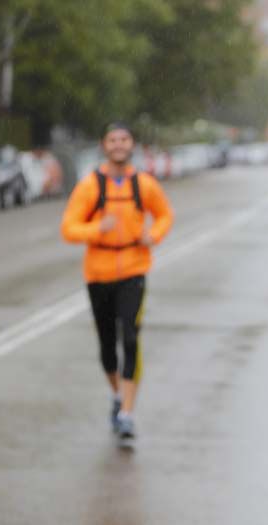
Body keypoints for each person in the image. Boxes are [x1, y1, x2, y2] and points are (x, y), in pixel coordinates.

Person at [61, 122, 173, 442]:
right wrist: (98, 228)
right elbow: (69, 228)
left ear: (131, 144)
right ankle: (116, 394)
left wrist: (152, 235)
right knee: (107, 347)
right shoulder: (90, 186)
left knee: (131, 338)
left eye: (124, 139)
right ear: (104, 145)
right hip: (98, 273)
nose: (119, 145)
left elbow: (165, 215)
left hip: (134, 271)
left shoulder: (144, 184)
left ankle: (126, 412)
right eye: (113, 140)